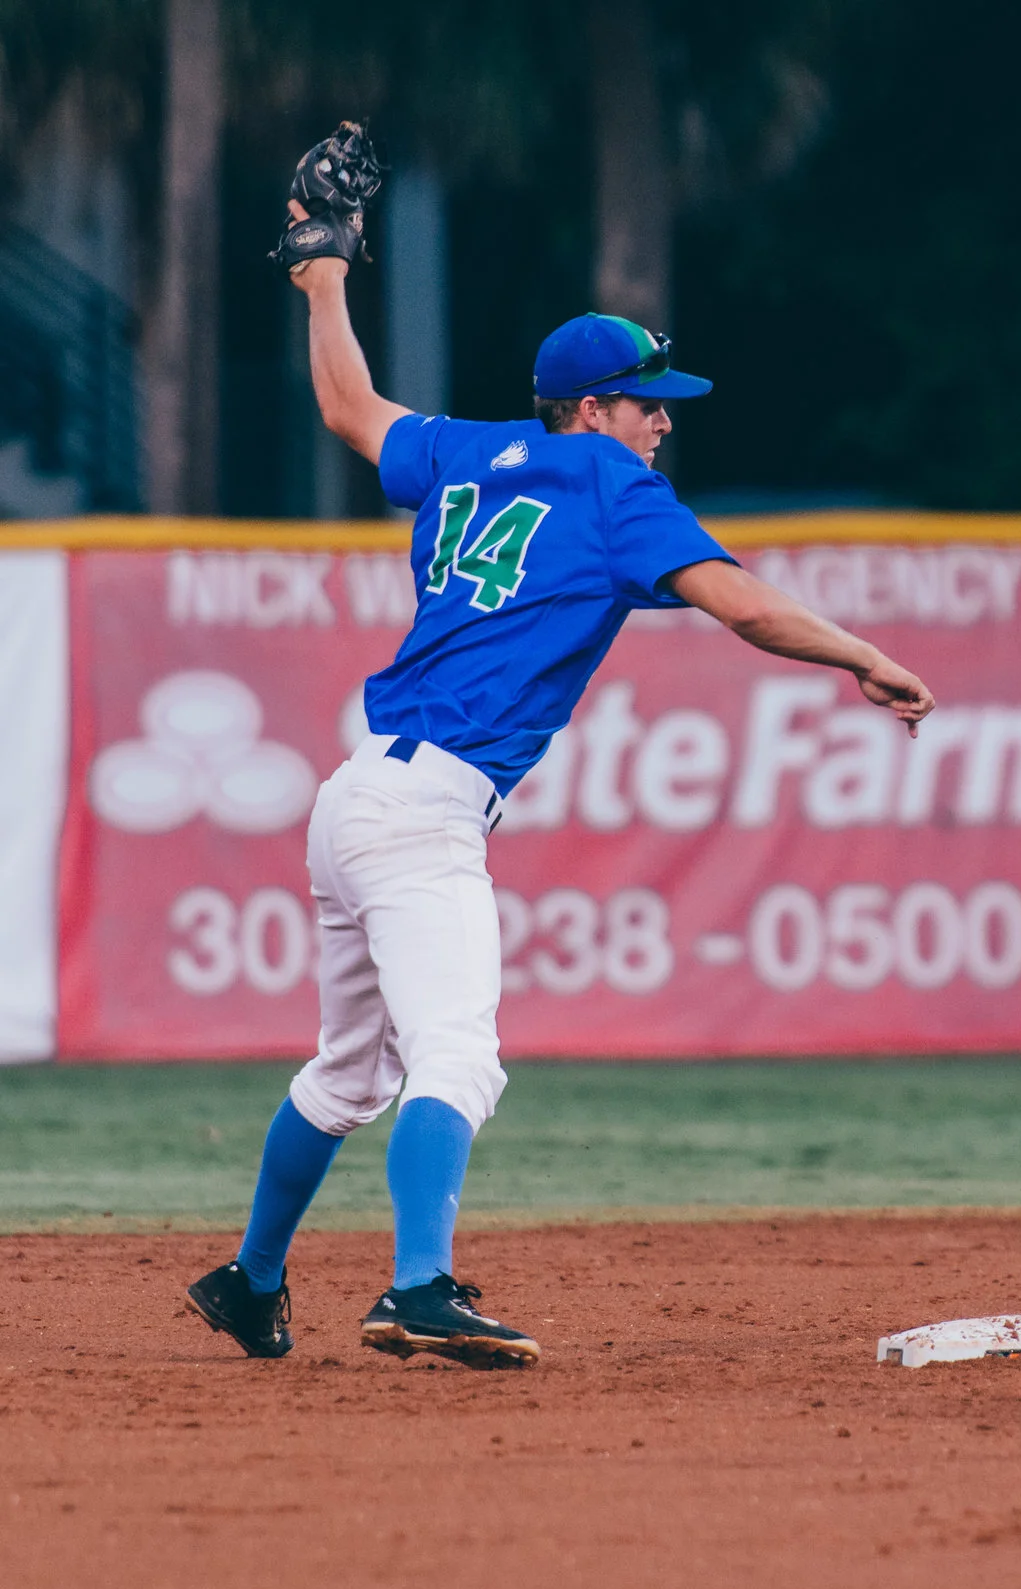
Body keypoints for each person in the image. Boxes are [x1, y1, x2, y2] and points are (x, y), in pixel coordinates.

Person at [186, 127, 934, 1369]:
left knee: (348, 1069)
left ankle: (252, 1278)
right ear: (591, 407)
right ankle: (417, 1285)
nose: (660, 427)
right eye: (648, 405)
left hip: (355, 795)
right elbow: (740, 604)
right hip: (422, 814)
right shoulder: (605, 479)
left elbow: (344, 405)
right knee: (457, 1057)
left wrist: (322, 277)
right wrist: (861, 653)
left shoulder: (469, 453)